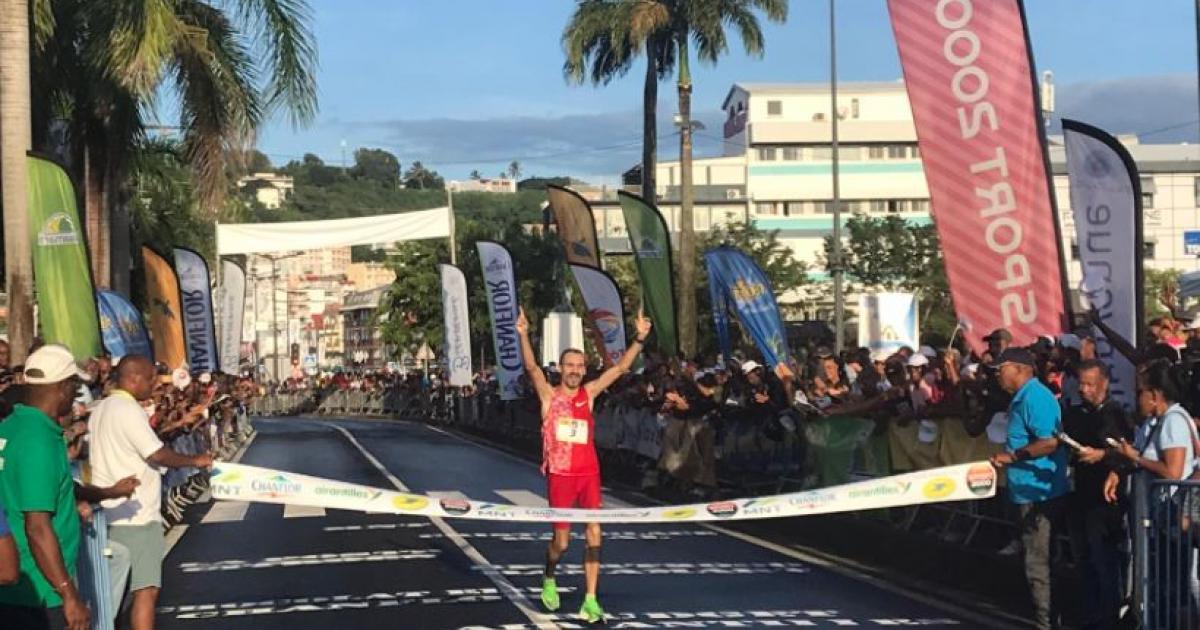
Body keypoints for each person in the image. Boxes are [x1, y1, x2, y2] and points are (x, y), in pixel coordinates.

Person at [516, 306, 651, 623]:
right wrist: (522, 335)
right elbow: (533, 367)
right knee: (561, 542)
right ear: (561, 368)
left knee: (594, 535)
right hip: (560, 476)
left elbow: (618, 370)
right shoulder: (550, 396)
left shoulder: (589, 393)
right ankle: (549, 574)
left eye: (579, 365)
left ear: (584, 368)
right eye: (569, 365)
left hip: (588, 474)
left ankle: (590, 599)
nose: (575, 370)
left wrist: (640, 339)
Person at [88, 355, 214, 630]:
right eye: (150, 378)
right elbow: (156, 452)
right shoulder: (127, 409)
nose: (155, 383)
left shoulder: (101, 408)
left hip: (109, 514)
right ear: (132, 379)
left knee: (115, 593)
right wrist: (195, 461)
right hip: (137, 515)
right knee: (146, 591)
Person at [0, 344, 93, 630]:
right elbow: (37, 527)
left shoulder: (10, 426)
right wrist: (68, 593)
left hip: (14, 586)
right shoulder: (37, 441)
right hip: (41, 591)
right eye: (75, 387)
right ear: (64, 387)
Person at [989, 347, 1068, 630]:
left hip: (1040, 493)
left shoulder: (1036, 398)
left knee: (1038, 561)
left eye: (1001, 368)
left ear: (1021, 369)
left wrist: (1013, 456)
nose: (997, 374)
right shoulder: (1021, 399)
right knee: (1035, 559)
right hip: (1025, 490)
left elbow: (1050, 441)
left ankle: (1046, 622)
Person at [1061, 360, 1130, 630]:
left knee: (1104, 560)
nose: (1084, 389)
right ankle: (1089, 614)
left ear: (1104, 383)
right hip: (1079, 494)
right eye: (1081, 384)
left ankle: (1108, 616)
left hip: (1105, 501)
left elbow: (1128, 453)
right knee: (1083, 559)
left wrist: (1102, 455)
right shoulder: (1076, 414)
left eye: (1090, 384)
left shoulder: (1115, 415)